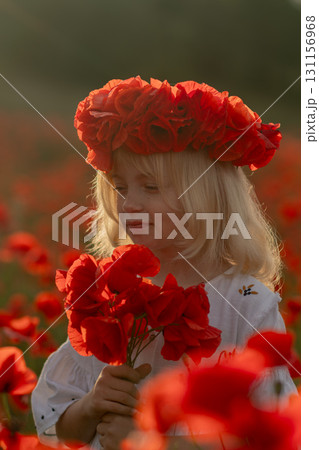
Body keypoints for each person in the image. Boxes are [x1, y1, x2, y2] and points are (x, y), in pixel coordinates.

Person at [31, 76, 297, 450]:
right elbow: (57, 424)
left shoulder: (246, 302)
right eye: (121, 188)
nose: (131, 203)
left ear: (209, 196)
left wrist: (149, 441)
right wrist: (91, 406)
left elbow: (272, 434)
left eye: (151, 187)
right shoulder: (112, 293)